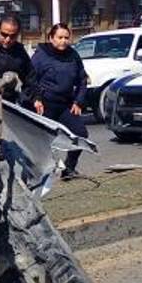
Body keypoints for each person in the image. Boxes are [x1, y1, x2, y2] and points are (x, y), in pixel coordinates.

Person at [30, 23, 90, 179]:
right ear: (51, 38)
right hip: (45, 105)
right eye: (60, 37)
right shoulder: (41, 56)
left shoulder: (73, 55)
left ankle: (69, 169)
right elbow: (30, 80)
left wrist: (78, 101)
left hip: (66, 104)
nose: (63, 41)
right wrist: (36, 98)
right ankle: (38, 172)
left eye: (66, 38)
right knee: (43, 140)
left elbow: (83, 80)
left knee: (80, 134)